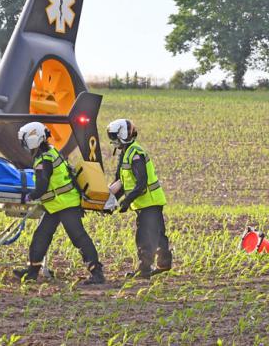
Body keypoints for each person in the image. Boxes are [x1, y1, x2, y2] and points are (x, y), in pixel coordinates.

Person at [13, 122, 105, 285]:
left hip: (66, 204)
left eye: (25, 141)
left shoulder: (44, 159)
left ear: (33, 139)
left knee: (78, 237)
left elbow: (43, 185)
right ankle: (32, 272)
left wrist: (29, 197)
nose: (24, 145)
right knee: (41, 236)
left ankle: (97, 273)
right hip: (56, 205)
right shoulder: (49, 152)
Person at [107, 119, 172, 278]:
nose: (112, 141)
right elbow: (121, 182)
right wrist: (110, 202)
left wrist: (126, 202)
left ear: (123, 134)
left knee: (144, 236)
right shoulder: (125, 153)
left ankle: (144, 270)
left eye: (114, 137)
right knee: (157, 234)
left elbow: (141, 182)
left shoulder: (135, 153)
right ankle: (164, 264)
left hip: (149, 202)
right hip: (147, 202)